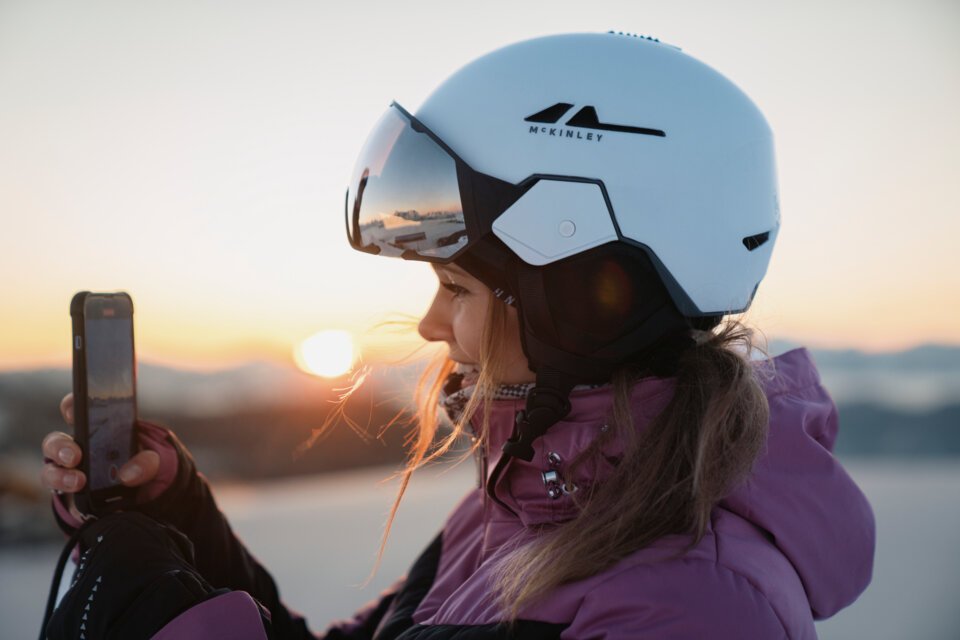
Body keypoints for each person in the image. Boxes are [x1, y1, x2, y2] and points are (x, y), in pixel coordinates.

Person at [39, 32, 875, 639]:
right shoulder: (534, 501)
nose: (431, 323)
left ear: (587, 298)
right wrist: (182, 530)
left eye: (456, 286)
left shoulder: (697, 610)